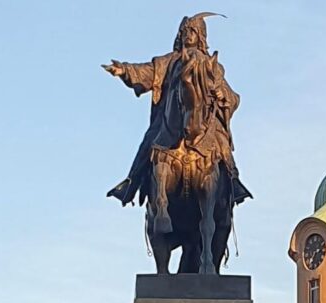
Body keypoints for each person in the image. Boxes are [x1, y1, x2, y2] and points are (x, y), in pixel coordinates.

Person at [102, 12, 250, 208]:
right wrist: (125, 70)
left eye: (194, 31)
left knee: (221, 141)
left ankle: (233, 178)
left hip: (204, 118)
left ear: (201, 37)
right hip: (171, 116)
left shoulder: (212, 66)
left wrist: (224, 97)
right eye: (186, 31)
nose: (189, 35)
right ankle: (131, 180)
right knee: (150, 140)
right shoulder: (169, 62)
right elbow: (147, 72)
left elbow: (232, 96)